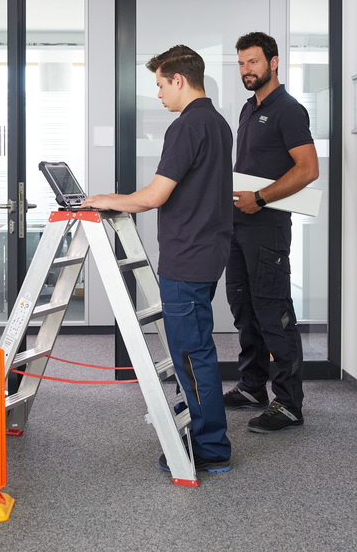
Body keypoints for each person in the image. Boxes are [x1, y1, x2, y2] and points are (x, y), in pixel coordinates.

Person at [83, 44, 234, 473]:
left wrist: (104, 199)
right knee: (196, 349)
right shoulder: (218, 123)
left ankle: (210, 449)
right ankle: (205, 432)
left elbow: (155, 195)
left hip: (188, 257)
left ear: (179, 80)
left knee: (193, 353)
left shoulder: (187, 126)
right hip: (207, 252)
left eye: (160, 85)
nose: (159, 95)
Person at [224, 31, 319, 434]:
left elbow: (308, 169)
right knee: (243, 308)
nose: (247, 70)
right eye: (242, 63)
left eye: (254, 62)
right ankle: (252, 386)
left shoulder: (288, 109)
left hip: (268, 226)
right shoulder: (249, 108)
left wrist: (260, 198)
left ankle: (289, 403)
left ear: (274, 62)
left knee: (273, 312)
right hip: (239, 225)